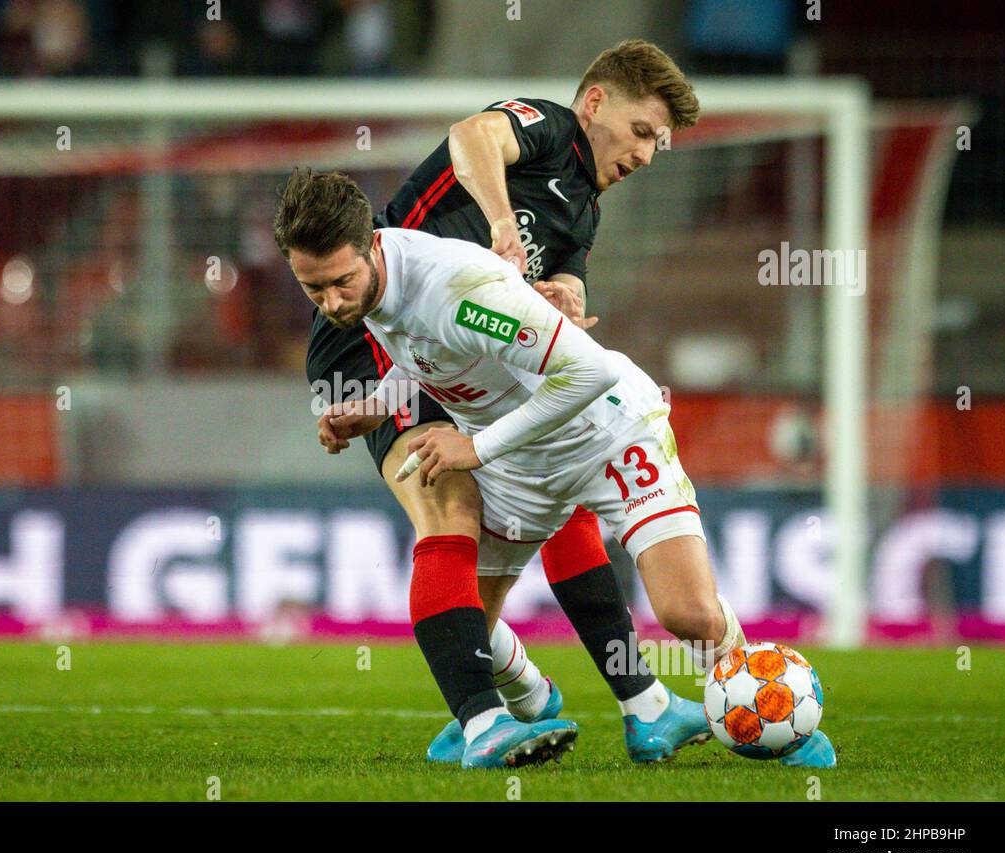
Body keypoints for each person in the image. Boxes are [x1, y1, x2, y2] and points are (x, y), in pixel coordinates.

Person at [278, 168, 837, 770]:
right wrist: (375, 408)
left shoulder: (454, 288)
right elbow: (430, 354)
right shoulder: (377, 288)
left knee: (688, 615)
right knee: (465, 626)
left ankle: (780, 719)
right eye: (314, 291)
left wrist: (479, 448)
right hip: (526, 457)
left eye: (340, 283)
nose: (332, 303)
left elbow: (587, 371)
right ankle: (602, 715)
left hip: (607, 435)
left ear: (373, 245)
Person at [303, 39, 711, 764]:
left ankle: (635, 703)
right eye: (643, 132)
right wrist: (497, 221)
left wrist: (563, 296)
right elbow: (471, 136)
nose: (648, 154)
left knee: (558, 490)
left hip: (448, 348)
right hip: (369, 328)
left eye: (660, 143)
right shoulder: (550, 129)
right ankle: (501, 709)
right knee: (450, 507)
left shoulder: (581, 213)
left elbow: (564, 306)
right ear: (596, 105)